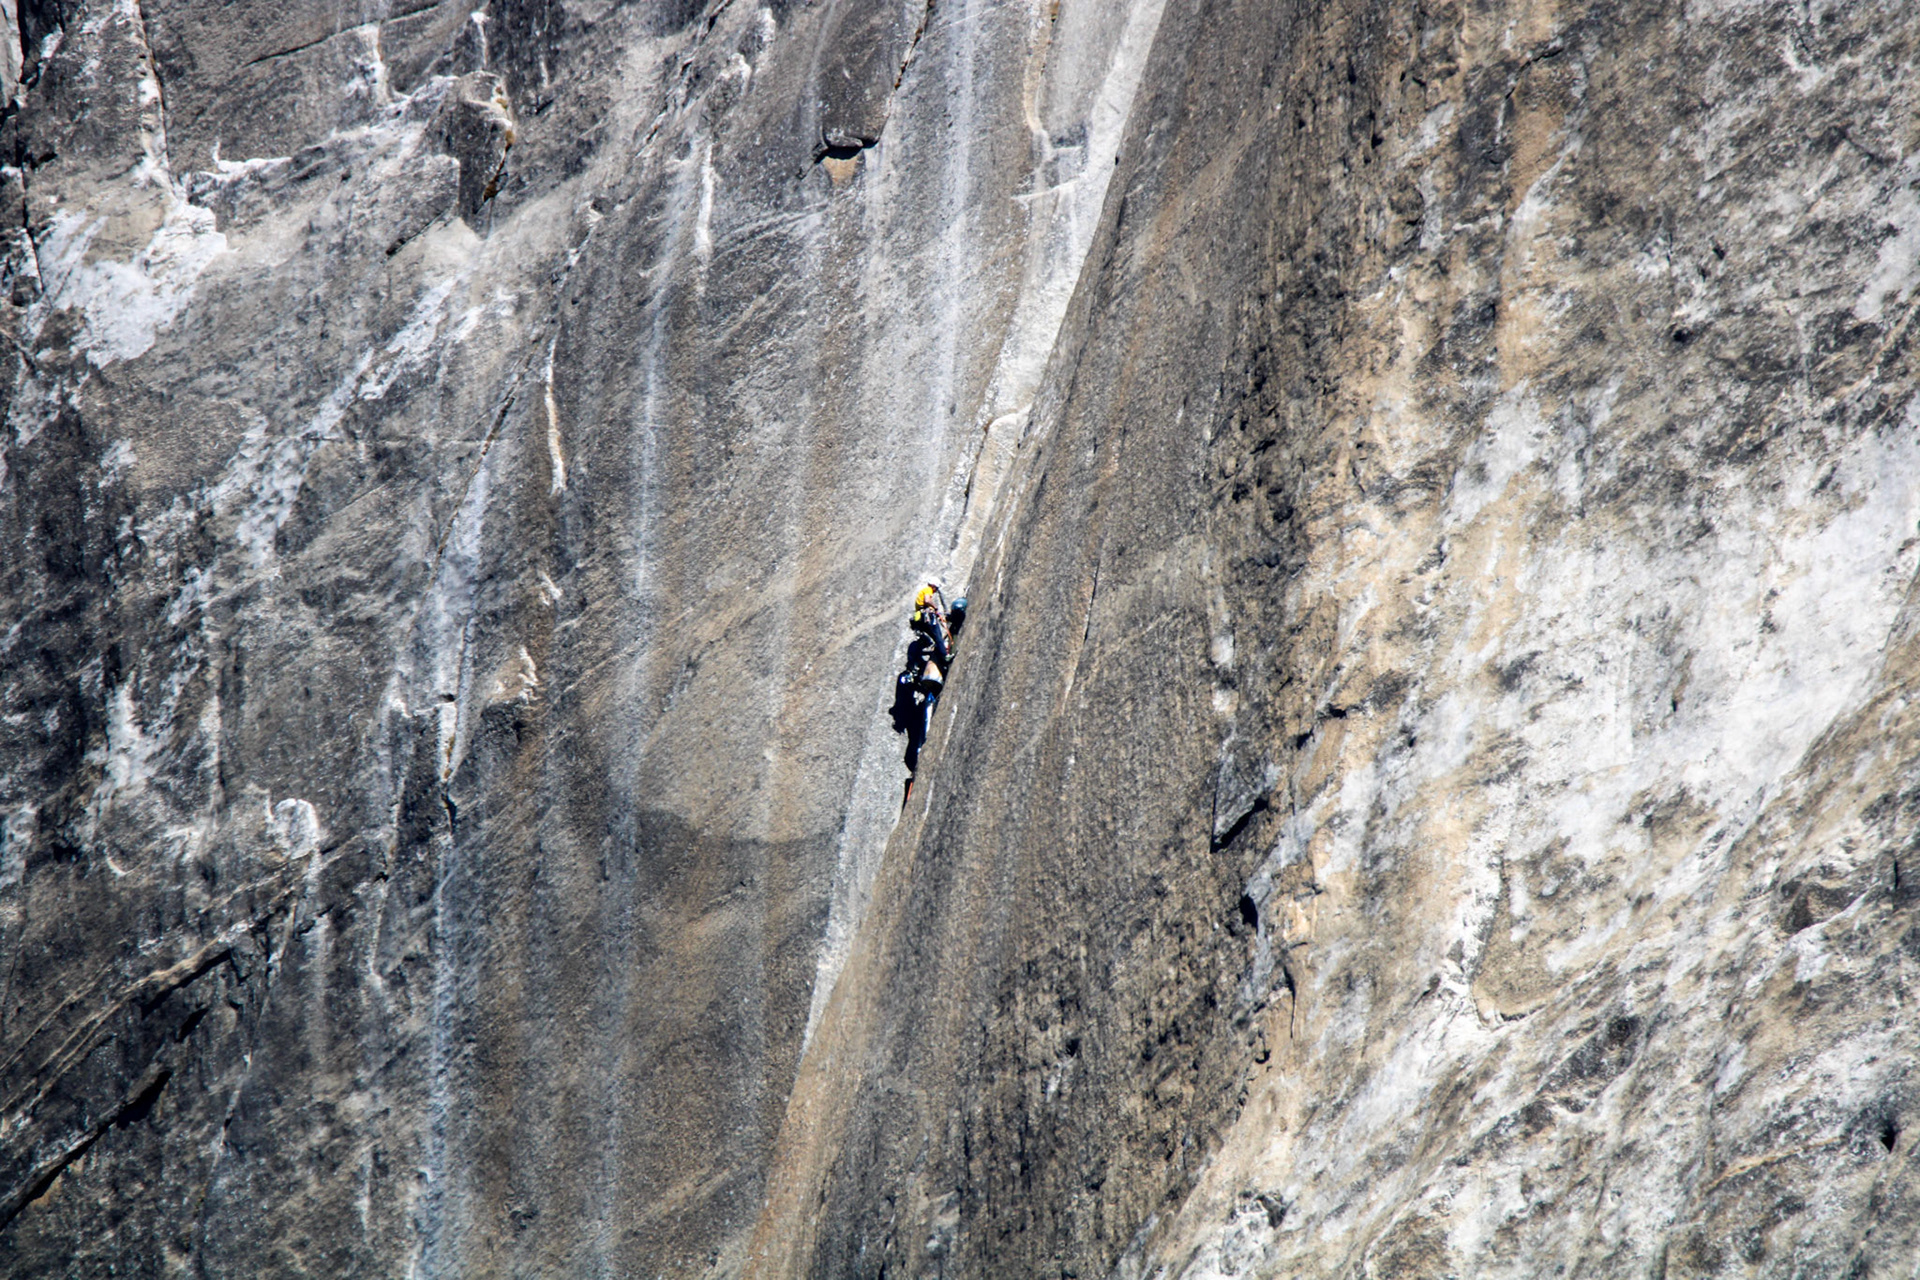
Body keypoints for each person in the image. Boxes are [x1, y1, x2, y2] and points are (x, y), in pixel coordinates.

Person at [892, 582, 968, 804]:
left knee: (926, 714)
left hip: (931, 684)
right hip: (929, 686)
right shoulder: (928, 600)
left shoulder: (924, 645)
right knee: (925, 719)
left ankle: (919, 755)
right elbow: (929, 607)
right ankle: (919, 757)